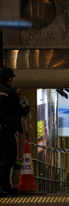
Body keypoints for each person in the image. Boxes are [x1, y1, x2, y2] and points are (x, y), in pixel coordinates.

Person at [0, 68, 30, 197]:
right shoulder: (9, 92)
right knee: (9, 158)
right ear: (9, 78)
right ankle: (4, 186)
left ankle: (6, 187)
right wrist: (26, 108)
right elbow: (18, 111)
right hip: (6, 130)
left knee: (2, 158)